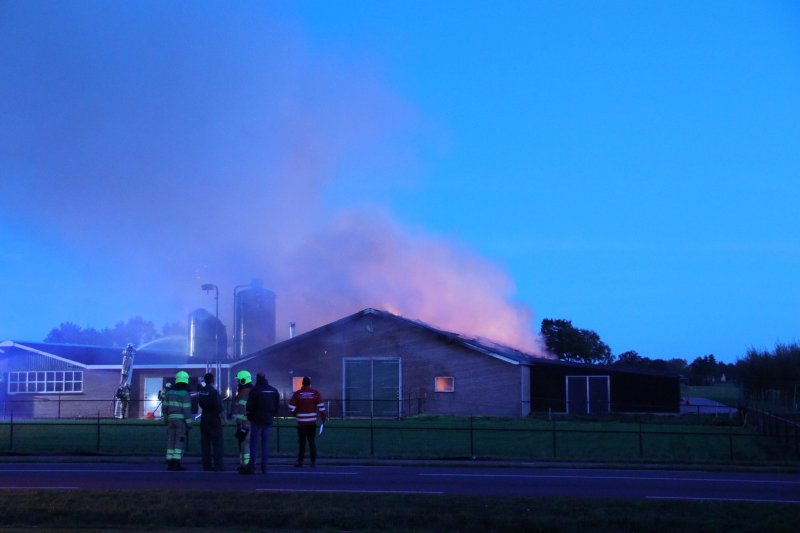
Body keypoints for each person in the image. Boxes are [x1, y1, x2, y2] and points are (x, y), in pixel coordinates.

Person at [241, 372, 279, 475]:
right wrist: (271, 415)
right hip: (268, 420)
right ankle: (264, 467)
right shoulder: (273, 390)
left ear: (257, 378)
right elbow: (277, 406)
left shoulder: (255, 390)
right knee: (265, 444)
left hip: (257, 420)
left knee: (253, 444)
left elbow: (250, 406)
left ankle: (251, 466)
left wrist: (251, 416)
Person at [288, 376, 326, 467]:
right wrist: (323, 417)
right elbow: (321, 406)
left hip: (301, 422)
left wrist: (296, 414)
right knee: (311, 442)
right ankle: (313, 461)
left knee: (302, 442)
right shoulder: (315, 393)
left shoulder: (298, 394)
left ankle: (300, 461)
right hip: (311, 422)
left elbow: (291, 407)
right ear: (310, 383)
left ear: (302, 383)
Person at [163, 371, 193, 471]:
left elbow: (164, 407)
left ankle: (169, 462)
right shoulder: (185, 394)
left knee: (171, 440)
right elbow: (187, 410)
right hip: (180, 421)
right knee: (180, 440)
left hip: (171, 419)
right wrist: (189, 423)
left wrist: (166, 419)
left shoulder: (169, 392)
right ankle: (176, 462)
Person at [198, 372, 226, 471]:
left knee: (205, 442)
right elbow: (219, 407)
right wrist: (225, 420)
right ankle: (218, 465)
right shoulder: (214, 392)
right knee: (217, 442)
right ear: (213, 381)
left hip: (204, 417)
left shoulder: (202, 391)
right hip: (214, 418)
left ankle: (206, 465)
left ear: (205, 380)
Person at [233, 370, 253, 472]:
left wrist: (239, 421)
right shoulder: (251, 391)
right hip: (249, 421)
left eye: (239, 380)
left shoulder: (244, 393)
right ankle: (243, 464)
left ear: (243, 380)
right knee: (243, 443)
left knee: (244, 443)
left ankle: (245, 465)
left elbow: (241, 408)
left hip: (245, 422)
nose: (238, 382)